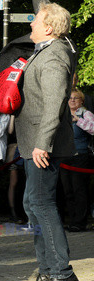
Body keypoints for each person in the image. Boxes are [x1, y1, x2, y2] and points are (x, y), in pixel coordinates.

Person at [16, 0, 79, 281]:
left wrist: (42, 143)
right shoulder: (53, 45)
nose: (32, 21)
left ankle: (62, 275)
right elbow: (44, 10)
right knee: (33, 204)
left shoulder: (54, 56)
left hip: (43, 145)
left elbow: (56, 102)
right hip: (35, 144)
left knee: (40, 204)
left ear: (50, 29)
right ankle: (48, 272)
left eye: (37, 20)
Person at [60, 88, 94, 232]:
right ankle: (72, 220)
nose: (72, 100)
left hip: (81, 156)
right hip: (64, 157)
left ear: (81, 101)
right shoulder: (63, 115)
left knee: (79, 189)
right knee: (68, 190)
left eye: (75, 98)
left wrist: (78, 120)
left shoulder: (86, 114)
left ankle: (80, 222)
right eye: (70, 98)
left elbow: (93, 129)